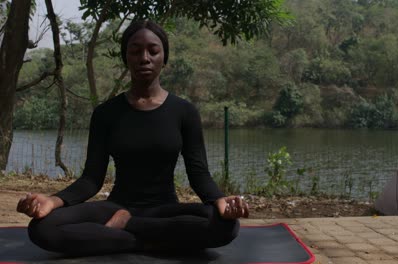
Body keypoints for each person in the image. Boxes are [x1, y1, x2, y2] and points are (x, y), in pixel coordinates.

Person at [16, 20, 249, 256]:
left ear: (164, 58)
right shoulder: (106, 113)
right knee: (42, 228)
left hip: (166, 209)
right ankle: (150, 242)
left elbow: (199, 174)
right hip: (116, 206)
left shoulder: (184, 112)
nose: (144, 58)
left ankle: (127, 228)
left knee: (226, 225)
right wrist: (52, 201)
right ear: (125, 58)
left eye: (153, 51)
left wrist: (220, 201)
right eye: (135, 51)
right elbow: (91, 179)